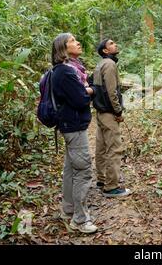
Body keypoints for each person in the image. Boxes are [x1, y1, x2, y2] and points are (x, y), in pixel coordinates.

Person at [50, 33, 97, 233]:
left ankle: (68, 209)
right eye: (72, 41)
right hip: (74, 126)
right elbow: (80, 100)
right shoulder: (66, 72)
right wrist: (90, 91)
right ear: (63, 47)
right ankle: (79, 219)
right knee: (83, 170)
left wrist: (83, 89)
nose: (78, 43)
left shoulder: (62, 70)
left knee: (71, 169)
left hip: (69, 125)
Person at [93, 38, 131, 197]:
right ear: (105, 51)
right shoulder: (109, 64)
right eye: (111, 44)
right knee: (114, 148)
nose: (115, 44)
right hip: (108, 113)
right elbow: (111, 91)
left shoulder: (100, 64)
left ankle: (102, 179)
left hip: (100, 113)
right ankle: (111, 187)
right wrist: (118, 111)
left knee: (101, 148)